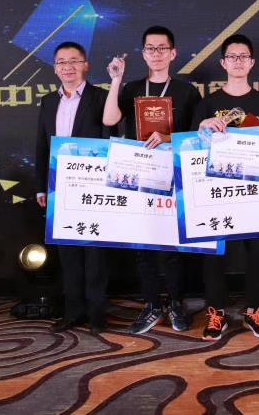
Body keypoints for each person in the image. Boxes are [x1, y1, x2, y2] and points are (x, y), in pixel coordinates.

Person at [103, 26, 202, 334]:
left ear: (173, 53)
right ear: (143, 53)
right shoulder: (132, 88)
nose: (156, 53)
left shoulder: (187, 91)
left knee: (172, 247)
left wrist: (168, 137)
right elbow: (109, 119)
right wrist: (116, 80)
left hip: (172, 175)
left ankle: (175, 303)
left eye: (162, 48)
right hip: (136, 174)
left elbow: (198, 136)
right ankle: (151, 304)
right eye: (150, 48)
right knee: (142, 246)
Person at [190, 34, 259, 341]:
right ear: (223, 63)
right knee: (214, 253)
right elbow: (191, 147)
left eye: (244, 56)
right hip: (217, 190)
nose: (238, 61)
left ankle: (254, 308)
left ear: (252, 63)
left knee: (258, 251)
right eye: (232, 56)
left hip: (254, 190)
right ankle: (216, 312)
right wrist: (202, 127)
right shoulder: (208, 103)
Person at [35, 41, 113, 335]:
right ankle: (74, 312)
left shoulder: (101, 97)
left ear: (85, 65)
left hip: (94, 185)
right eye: (61, 62)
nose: (67, 67)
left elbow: (111, 138)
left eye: (73, 61)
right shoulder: (48, 102)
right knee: (68, 254)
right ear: (55, 68)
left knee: (95, 254)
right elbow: (42, 145)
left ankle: (96, 313)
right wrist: (41, 187)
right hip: (59, 187)